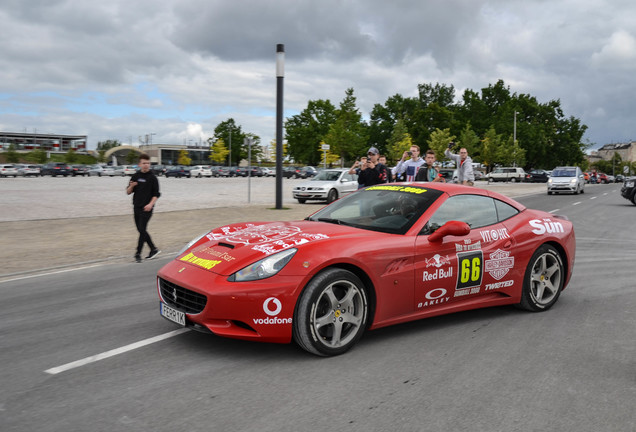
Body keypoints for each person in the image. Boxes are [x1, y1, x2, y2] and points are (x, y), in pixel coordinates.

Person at [126, 154, 161, 262]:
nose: (146, 165)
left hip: (147, 208)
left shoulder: (153, 178)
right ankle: (153, 249)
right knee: (141, 230)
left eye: (148, 163)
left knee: (142, 229)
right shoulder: (135, 176)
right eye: (144, 163)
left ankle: (138, 254)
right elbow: (128, 192)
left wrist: (150, 204)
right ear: (139, 164)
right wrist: (132, 186)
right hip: (136, 206)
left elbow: (156, 194)